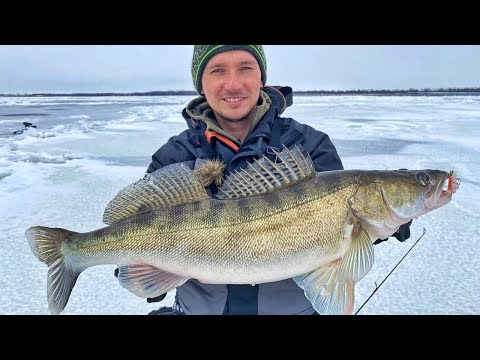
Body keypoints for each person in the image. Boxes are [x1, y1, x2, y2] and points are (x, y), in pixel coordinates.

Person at [118, 45, 411, 315]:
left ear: (261, 76)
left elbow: (341, 243)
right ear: (201, 82)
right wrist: (143, 273)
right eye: (217, 70)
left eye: (246, 67)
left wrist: (384, 225)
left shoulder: (307, 145)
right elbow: (136, 231)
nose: (233, 84)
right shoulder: (174, 155)